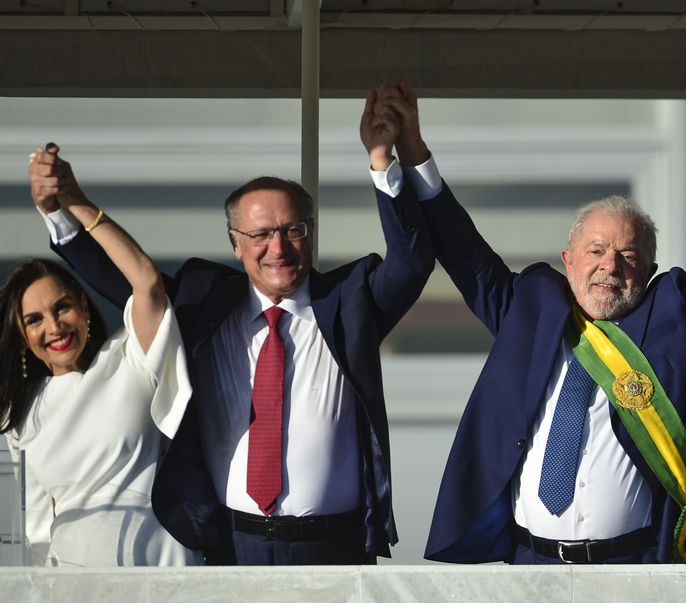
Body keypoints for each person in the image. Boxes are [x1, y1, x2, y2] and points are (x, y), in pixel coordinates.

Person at [374, 83, 686, 563]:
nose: (610, 266)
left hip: (631, 570)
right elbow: (461, 249)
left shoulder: (677, 322)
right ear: (568, 260)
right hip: (529, 564)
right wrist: (411, 150)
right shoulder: (528, 311)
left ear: (648, 269)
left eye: (628, 255)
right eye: (596, 251)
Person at [28, 95, 436, 565]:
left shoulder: (349, 300)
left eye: (292, 230)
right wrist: (62, 209)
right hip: (229, 545)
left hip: (332, 547)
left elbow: (412, 262)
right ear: (235, 245)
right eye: (260, 235)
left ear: (310, 233)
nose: (278, 247)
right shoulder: (205, 304)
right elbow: (124, 280)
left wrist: (383, 161)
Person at [1, 153, 198, 566]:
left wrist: (74, 202)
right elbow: (36, 529)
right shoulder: (19, 414)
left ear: (85, 309)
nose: (54, 326)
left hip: (160, 566)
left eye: (63, 307)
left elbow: (145, 281)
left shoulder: (129, 356)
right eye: (34, 320)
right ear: (22, 338)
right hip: (74, 580)